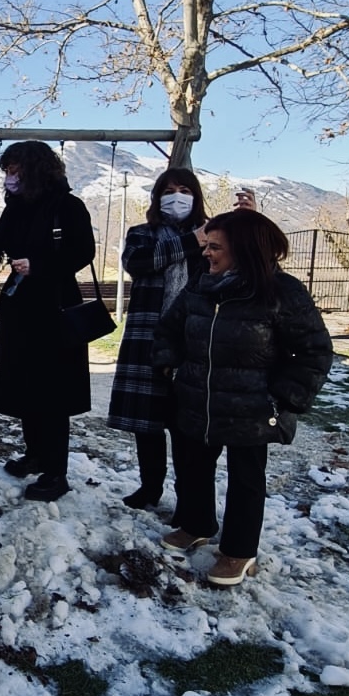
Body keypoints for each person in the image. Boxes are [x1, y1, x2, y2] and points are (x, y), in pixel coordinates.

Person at [152, 210, 333, 586]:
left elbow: (314, 351)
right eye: (207, 245)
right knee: (192, 466)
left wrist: (282, 396)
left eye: (215, 247)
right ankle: (196, 524)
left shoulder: (282, 292)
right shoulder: (201, 286)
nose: (206, 253)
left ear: (244, 249)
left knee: (246, 479)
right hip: (196, 400)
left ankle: (238, 550)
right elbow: (169, 329)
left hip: (252, 409)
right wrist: (169, 365)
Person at [0, 140, 96, 502]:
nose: (9, 177)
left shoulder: (68, 206)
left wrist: (40, 266)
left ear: (33, 169)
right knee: (24, 385)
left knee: (52, 391)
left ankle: (56, 471)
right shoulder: (15, 208)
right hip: (20, 305)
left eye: (14, 169)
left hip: (54, 306)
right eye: (7, 170)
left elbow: (83, 251)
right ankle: (35, 453)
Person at [106, 169, 210, 509]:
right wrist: (191, 241)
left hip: (192, 340)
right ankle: (150, 486)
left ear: (195, 196)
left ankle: (186, 497)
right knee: (147, 423)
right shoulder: (142, 234)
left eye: (183, 190)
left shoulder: (213, 236)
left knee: (185, 427)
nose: (176, 196)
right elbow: (138, 263)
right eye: (169, 190)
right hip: (147, 337)